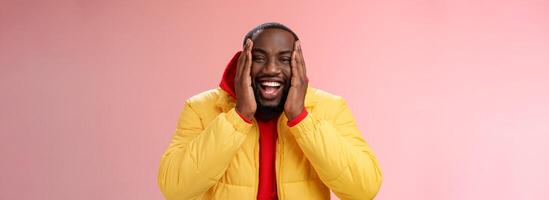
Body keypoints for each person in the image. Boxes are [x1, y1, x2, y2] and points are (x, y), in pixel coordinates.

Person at [157, 22, 382, 200]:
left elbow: (364, 190)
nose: (271, 69)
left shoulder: (330, 108)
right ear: (242, 62)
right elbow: (175, 190)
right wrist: (239, 116)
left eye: (284, 59)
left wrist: (301, 118)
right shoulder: (200, 108)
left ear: (299, 65)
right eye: (259, 58)